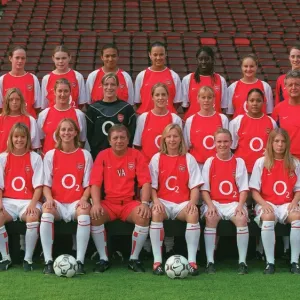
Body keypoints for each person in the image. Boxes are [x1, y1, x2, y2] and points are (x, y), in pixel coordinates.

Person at [89, 124, 151, 273]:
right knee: (94, 215)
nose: (119, 141)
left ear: (128, 139)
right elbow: (95, 183)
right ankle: (104, 259)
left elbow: (145, 182)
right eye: (115, 138)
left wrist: (144, 203)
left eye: (122, 137)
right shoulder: (103, 155)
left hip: (129, 203)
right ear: (109, 141)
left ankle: (134, 259)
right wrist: (96, 204)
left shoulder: (136, 155)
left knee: (143, 216)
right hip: (109, 203)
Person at [40, 118, 93, 275]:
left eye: (70, 129)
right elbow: (46, 185)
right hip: (57, 202)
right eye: (63, 130)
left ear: (76, 133)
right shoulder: (50, 155)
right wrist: (49, 199)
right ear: (58, 133)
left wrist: (84, 199)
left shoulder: (85, 155)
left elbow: (88, 185)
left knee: (84, 213)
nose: (66, 133)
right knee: (46, 211)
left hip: (76, 201)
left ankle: (80, 262)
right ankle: (48, 261)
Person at [149, 124, 203, 275]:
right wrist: (156, 201)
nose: (172, 140)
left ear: (181, 139)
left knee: (193, 213)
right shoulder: (157, 158)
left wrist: (192, 203)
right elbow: (152, 186)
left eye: (175, 136)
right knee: (156, 213)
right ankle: (157, 261)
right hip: (163, 202)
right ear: (164, 139)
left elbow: (194, 186)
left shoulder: (189, 158)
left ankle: (192, 262)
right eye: (169, 136)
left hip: (182, 203)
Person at [249, 128, 300, 274]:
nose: (280, 145)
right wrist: (264, 204)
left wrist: (295, 202)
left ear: (287, 144)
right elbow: (254, 191)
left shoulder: (294, 163)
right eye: (276, 141)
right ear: (271, 143)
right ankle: (270, 262)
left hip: (286, 203)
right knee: (268, 216)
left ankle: (295, 262)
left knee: (297, 217)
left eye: (283, 141)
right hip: (267, 202)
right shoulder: (261, 162)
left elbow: (298, 189)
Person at [201, 128, 249, 274]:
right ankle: (210, 261)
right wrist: (210, 205)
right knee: (210, 217)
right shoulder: (210, 162)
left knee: (241, 218)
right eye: (219, 141)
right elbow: (204, 190)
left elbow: (243, 189)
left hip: (234, 202)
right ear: (214, 143)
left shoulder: (239, 162)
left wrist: (240, 205)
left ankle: (242, 262)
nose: (223, 145)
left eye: (226, 141)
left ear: (231, 142)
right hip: (214, 202)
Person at [0, 123, 43, 271]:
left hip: (28, 201)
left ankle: (28, 259)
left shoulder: (35, 158)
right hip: (8, 201)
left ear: (28, 139)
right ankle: (5, 258)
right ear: (11, 138)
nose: (19, 140)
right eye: (16, 136)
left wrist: (32, 204)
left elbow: (39, 187)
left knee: (32, 217)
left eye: (23, 137)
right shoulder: (3, 158)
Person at [86, 73, 136, 160]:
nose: (109, 87)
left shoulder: (127, 108)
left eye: (112, 84)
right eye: (106, 84)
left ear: (117, 86)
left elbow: (131, 135)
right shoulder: (93, 109)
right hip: (98, 156)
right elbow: (89, 135)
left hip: (121, 156)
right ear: (101, 86)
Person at [229, 88, 277, 173]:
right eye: (252, 100)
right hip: (242, 170)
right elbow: (232, 148)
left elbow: (274, 147)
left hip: (264, 169)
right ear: (247, 103)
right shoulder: (237, 122)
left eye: (258, 101)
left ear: (263, 103)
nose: (255, 103)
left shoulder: (271, 122)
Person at [133, 83, 182, 163]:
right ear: (152, 97)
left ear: (167, 97)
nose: (160, 98)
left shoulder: (175, 119)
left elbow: (180, 145)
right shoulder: (143, 118)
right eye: (157, 95)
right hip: (147, 164)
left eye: (163, 95)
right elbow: (137, 145)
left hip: (168, 164)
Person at [184, 86, 228, 171]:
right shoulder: (190, 120)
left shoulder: (222, 119)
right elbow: (187, 145)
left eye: (209, 97)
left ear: (214, 99)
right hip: (197, 165)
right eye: (203, 97)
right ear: (198, 99)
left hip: (218, 164)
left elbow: (226, 143)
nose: (206, 100)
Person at [37, 78, 86, 156]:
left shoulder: (79, 114)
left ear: (70, 93)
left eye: (66, 91)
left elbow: (82, 140)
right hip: (50, 161)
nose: (62, 94)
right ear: (54, 92)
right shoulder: (44, 114)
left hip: (72, 160)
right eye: (60, 91)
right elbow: (41, 139)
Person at [134, 41, 182, 114]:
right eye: (155, 55)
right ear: (150, 55)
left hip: (168, 120)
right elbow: (138, 102)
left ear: (166, 54)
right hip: (146, 119)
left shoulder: (174, 76)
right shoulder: (142, 75)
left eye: (161, 54)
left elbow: (177, 102)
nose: (158, 58)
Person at [181, 46, 228, 120]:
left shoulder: (221, 80)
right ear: (197, 60)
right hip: (193, 122)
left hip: (214, 122)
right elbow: (185, 106)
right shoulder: (187, 79)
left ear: (212, 59)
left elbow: (222, 107)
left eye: (206, 59)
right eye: (200, 59)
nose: (203, 62)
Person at [227, 54, 273, 119]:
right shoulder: (233, 87)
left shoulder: (265, 86)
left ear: (256, 67)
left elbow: (269, 113)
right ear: (241, 67)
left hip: (260, 127)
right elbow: (230, 114)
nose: (248, 69)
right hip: (240, 127)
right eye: (245, 66)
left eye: (251, 66)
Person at [0, 46, 41, 118]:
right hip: (9, 123)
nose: (20, 61)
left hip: (27, 123)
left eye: (23, 58)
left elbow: (37, 107)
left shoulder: (33, 78)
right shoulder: (2, 80)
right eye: (17, 58)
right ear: (10, 58)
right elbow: (1, 107)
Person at [0, 88, 40, 153]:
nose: (14, 102)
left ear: (21, 101)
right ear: (7, 101)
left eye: (17, 99)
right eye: (11, 99)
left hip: (24, 160)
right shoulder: (0, 119)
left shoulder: (30, 120)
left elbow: (34, 147)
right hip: (3, 161)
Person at [272, 70, 300, 160]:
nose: (293, 87)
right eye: (290, 85)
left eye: (297, 84)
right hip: (286, 158)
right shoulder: (278, 109)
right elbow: (274, 135)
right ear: (285, 87)